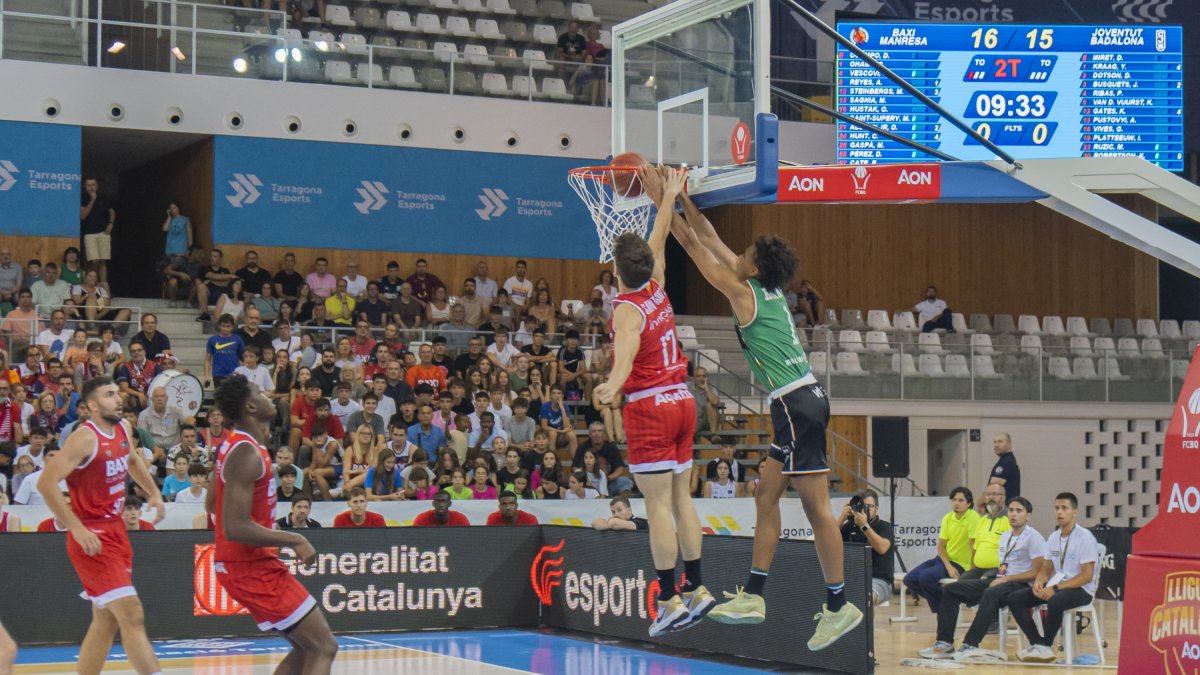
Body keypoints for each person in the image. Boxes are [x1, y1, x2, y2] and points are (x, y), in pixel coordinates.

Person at [659, 164, 862, 648]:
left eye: (745, 254)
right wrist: (683, 197)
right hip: (801, 401)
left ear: (752, 268)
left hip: (795, 404)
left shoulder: (742, 291)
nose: (738, 256)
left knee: (816, 510)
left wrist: (660, 200)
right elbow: (709, 234)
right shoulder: (763, 287)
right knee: (765, 496)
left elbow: (694, 245)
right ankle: (755, 595)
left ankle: (838, 605)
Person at [593, 166, 714, 638]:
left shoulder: (626, 309)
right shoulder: (658, 283)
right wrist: (668, 195)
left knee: (658, 506)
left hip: (650, 406)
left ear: (616, 272)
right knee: (682, 499)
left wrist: (612, 384)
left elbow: (625, 354)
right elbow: (658, 235)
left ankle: (668, 599)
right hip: (683, 399)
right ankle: (697, 587)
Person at [37, 376, 165, 675]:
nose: (118, 398)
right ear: (92, 406)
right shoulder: (85, 438)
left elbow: (132, 461)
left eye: (118, 393)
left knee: (105, 621)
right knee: (132, 613)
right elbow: (46, 483)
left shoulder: (123, 428)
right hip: (92, 537)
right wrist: (76, 528)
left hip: (116, 531)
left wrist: (153, 492)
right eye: (109, 394)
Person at [208, 374, 338, 670]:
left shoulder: (233, 445)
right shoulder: (246, 452)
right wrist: (295, 538)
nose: (267, 395)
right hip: (250, 567)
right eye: (259, 392)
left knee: (306, 648)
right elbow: (234, 527)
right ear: (250, 407)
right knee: (324, 646)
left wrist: (264, 524)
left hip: (244, 564)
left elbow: (211, 503)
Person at [922, 496, 1049, 663]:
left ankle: (970, 644)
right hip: (1001, 580)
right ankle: (944, 643)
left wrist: (1006, 579)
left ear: (1028, 516)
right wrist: (998, 578)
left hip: (1021, 585)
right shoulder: (1005, 536)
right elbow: (1003, 567)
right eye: (1011, 510)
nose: (1013, 514)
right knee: (951, 589)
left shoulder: (1034, 537)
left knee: (991, 592)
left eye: (1019, 511)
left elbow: (1038, 572)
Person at [1006, 492, 1098, 663]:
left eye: (1064, 508)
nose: (1059, 512)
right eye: (1057, 508)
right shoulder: (1054, 538)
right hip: (1059, 586)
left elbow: (1087, 576)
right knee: (1014, 599)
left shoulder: (1085, 538)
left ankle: (1046, 645)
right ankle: (1038, 644)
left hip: (1082, 589)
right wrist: (1039, 582)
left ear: (1074, 512)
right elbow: (1045, 569)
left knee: (1055, 600)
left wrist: (1055, 588)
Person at [903, 487, 979, 614]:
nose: (956, 503)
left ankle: (944, 608)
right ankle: (947, 603)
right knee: (909, 579)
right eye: (954, 500)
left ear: (969, 503)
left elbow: (974, 546)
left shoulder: (972, 517)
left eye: (961, 500)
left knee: (925, 577)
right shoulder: (948, 518)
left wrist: (972, 571)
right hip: (945, 561)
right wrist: (948, 566)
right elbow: (941, 546)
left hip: (961, 565)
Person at [837, 489, 895, 605]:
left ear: (876, 508)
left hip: (879, 580)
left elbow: (882, 548)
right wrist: (842, 518)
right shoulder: (849, 526)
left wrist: (864, 525)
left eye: (869, 506)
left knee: (863, 598)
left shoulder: (884, 526)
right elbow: (827, 539)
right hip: (852, 579)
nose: (865, 509)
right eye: (862, 506)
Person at [80, 177, 116, 284]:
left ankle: (103, 283)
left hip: (103, 233)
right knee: (94, 261)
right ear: (85, 186)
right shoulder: (82, 197)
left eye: (93, 185)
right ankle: (92, 283)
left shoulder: (103, 197)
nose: (91, 187)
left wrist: (111, 224)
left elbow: (112, 212)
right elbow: (83, 216)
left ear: (97, 186)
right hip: (89, 233)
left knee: (103, 261)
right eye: (88, 185)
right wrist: (92, 199)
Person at [205, 314, 245, 388]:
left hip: (235, 374)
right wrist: (207, 376)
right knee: (221, 395)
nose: (226, 329)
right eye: (223, 326)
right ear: (219, 325)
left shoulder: (238, 339)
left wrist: (244, 369)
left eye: (228, 326)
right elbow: (207, 359)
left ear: (232, 326)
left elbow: (245, 357)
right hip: (218, 375)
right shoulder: (212, 340)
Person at [989, 432, 1021, 502]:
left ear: (1009, 444)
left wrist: (979, 503)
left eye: (1000, 442)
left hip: (1004, 506)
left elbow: (993, 489)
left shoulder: (1005, 462)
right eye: (995, 442)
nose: (996, 445)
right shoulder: (1009, 460)